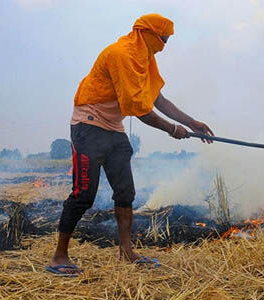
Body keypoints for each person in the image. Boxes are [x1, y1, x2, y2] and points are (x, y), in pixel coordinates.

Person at [46, 13, 214, 276]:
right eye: (164, 38)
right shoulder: (122, 54)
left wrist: (192, 123)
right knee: (83, 195)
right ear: (147, 33)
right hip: (88, 125)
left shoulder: (144, 58)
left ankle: (126, 251)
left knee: (125, 194)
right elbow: (138, 108)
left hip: (113, 127)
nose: (165, 45)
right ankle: (59, 256)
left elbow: (157, 99)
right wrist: (172, 129)